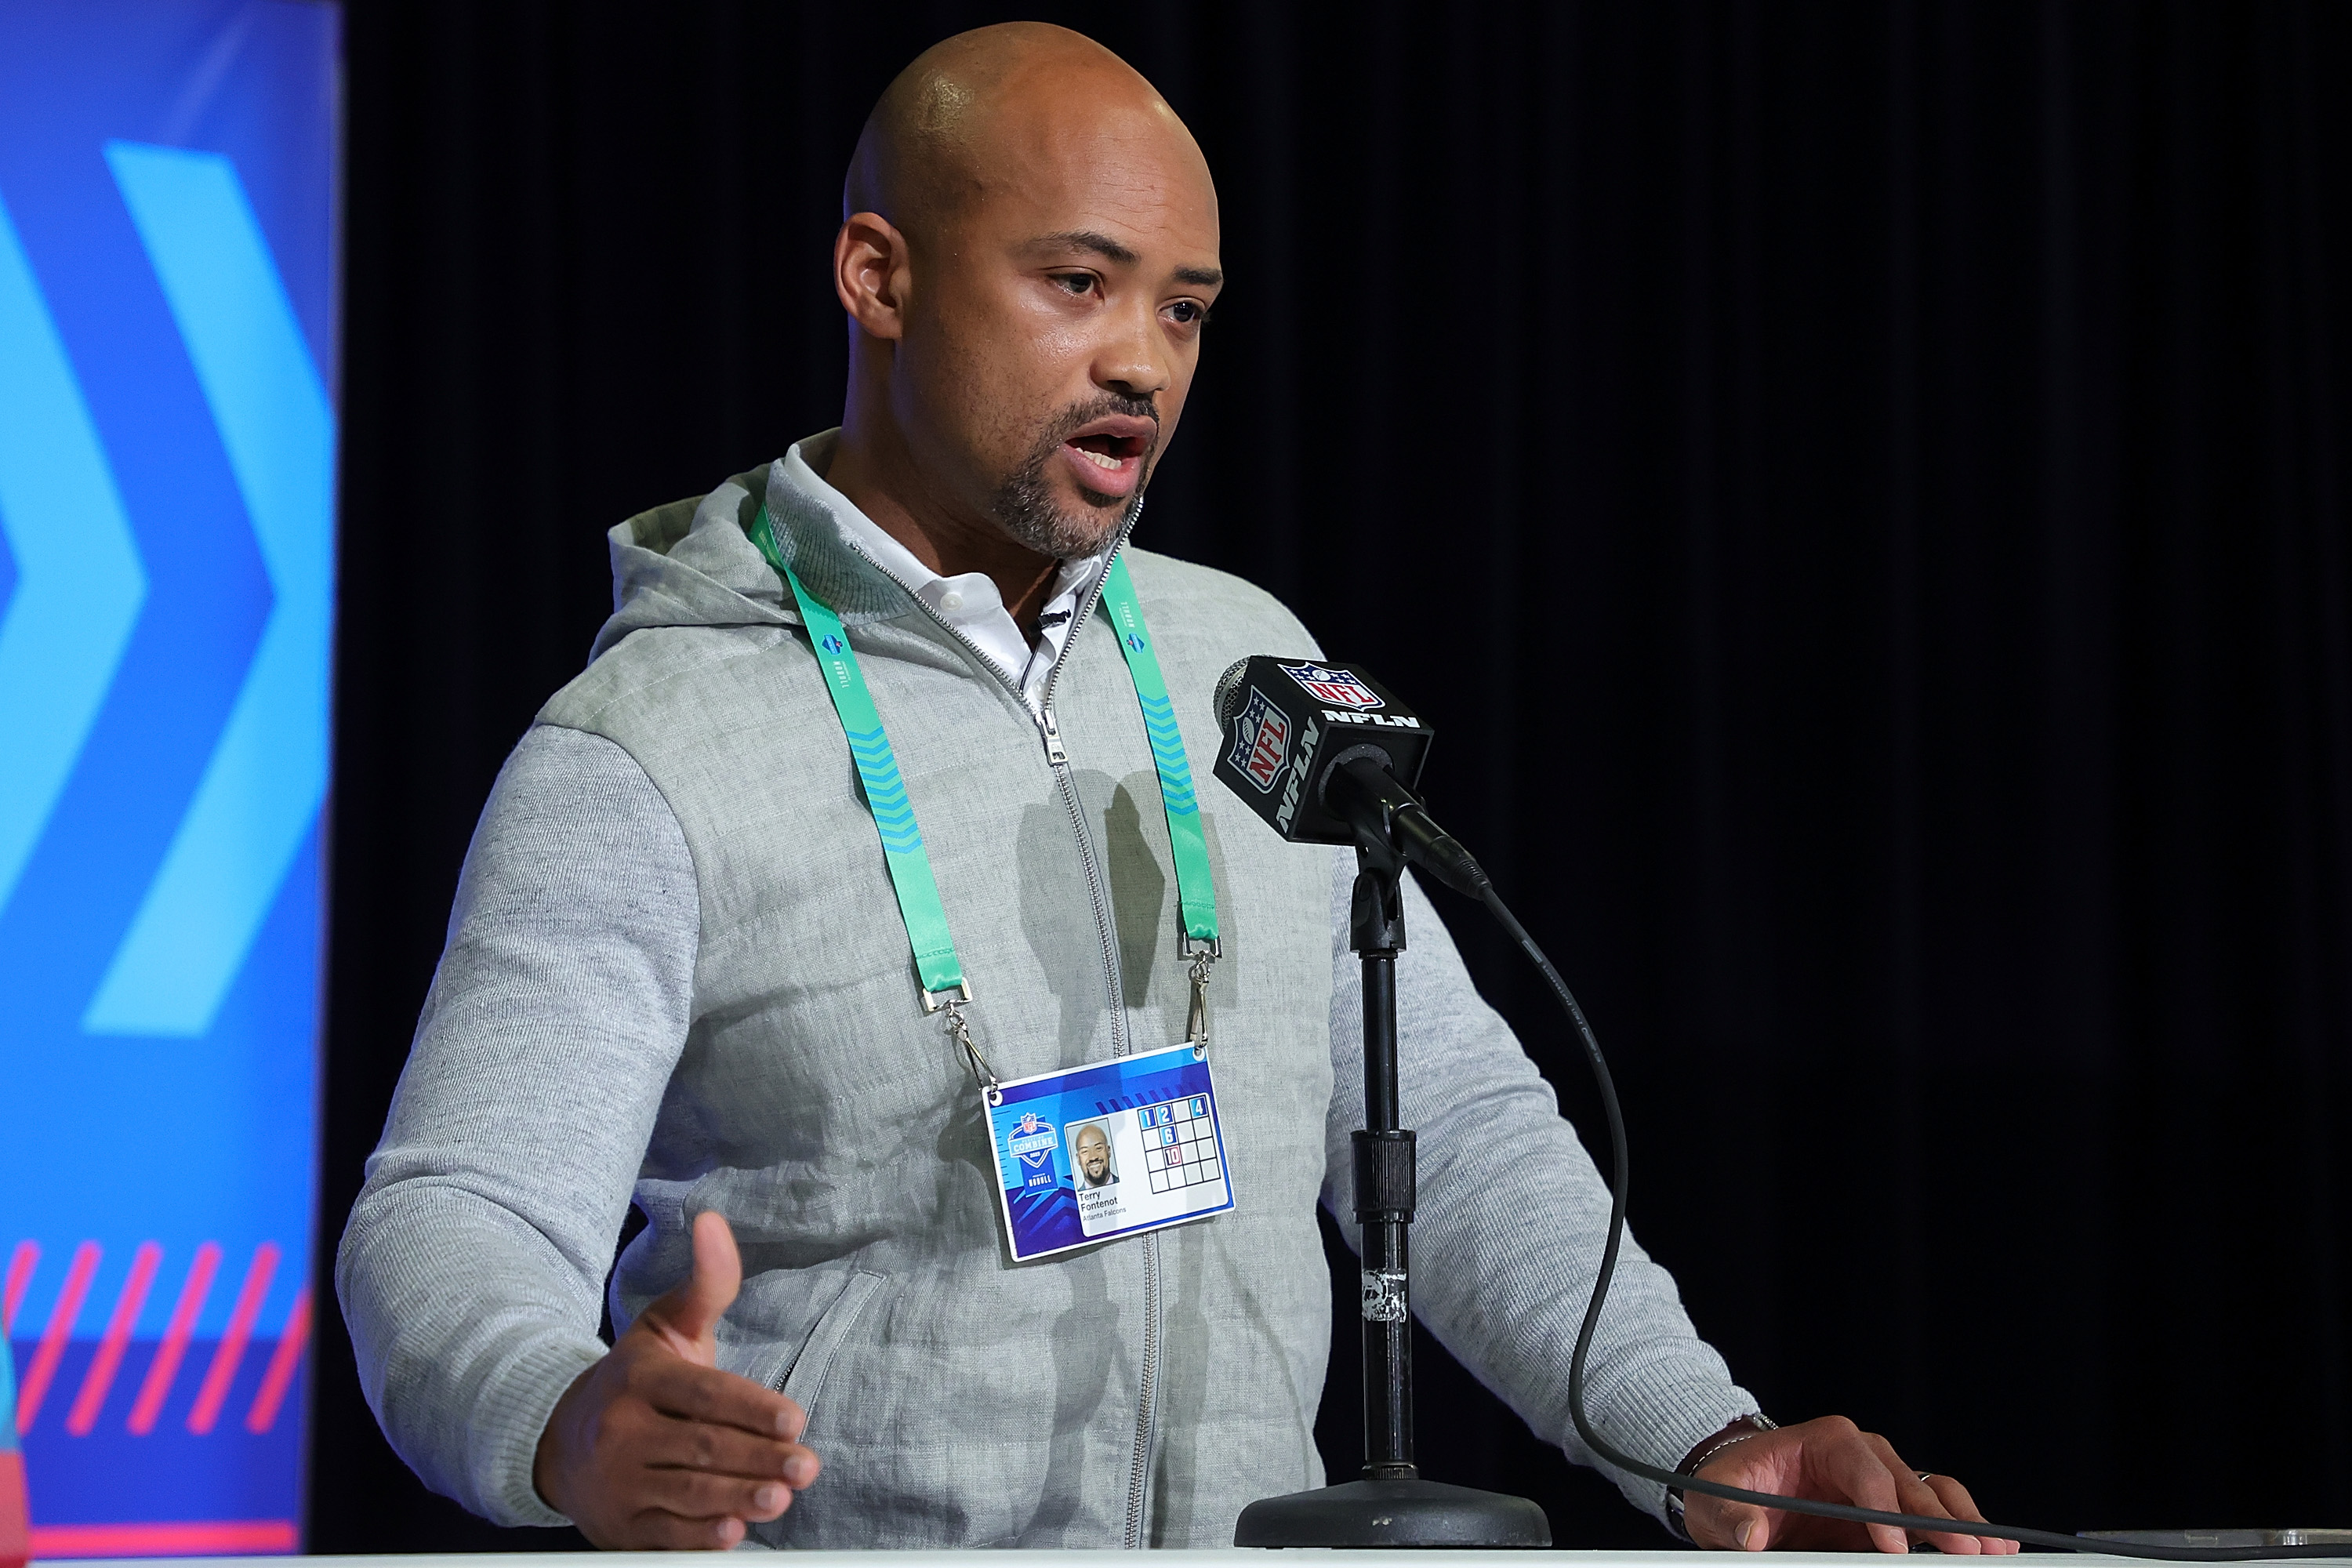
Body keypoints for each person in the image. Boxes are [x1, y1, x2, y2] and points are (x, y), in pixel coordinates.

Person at [337, 22, 2017, 1555]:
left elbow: (1456, 1131)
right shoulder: (650, 745)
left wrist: (1704, 1440)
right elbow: (452, 1218)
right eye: (1078, 282)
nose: (1144, 361)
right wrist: (562, 1419)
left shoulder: (1249, 670)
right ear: (879, 276)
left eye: (1186, 307)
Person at [1074, 1123, 1116, 1188]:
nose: (1093, 1157)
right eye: (1085, 1151)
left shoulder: (1130, 1186)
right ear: (1078, 1159)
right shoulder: (1071, 1197)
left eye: (1099, 1148)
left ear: (1108, 1151)